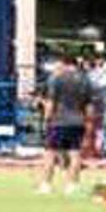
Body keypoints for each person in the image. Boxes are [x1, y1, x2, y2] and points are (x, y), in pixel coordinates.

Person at [38, 52, 95, 195]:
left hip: (58, 122)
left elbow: (51, 103)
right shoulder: (85, 80)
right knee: (75, 154)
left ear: (64, 63)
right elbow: (89, 106)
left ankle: (46, 185)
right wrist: (89, 124)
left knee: (50, 153)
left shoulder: (56, 79)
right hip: (78, 122)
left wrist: (46, 119)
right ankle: (72, 186)